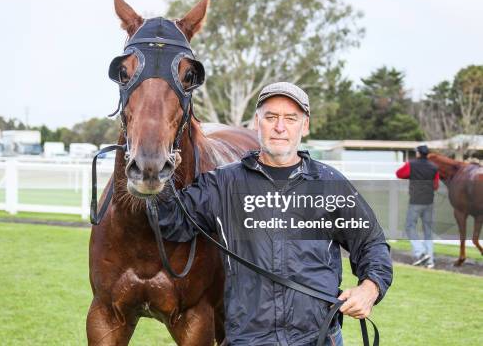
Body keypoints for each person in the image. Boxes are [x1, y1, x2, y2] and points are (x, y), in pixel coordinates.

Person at [156, 82, 393, 346]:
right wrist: (160, 177)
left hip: (318, 337)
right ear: (257, 123)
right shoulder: (222, 185)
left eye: (290, 119)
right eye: (271, 117)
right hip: (249, 339)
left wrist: (369, 288)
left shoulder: (329, 183)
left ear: (305, 126)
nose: (280, 127)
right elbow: (171, 221)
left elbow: (371, 243)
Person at [396, 145, 439, 269]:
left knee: (409, 227)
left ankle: (420, 252)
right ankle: (430, 260)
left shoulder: (412, 165)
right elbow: (435, 186)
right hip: (429, 202)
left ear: (419, 153)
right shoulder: (434, 167)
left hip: (415, 201)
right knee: (428, 231)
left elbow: (399, 174)